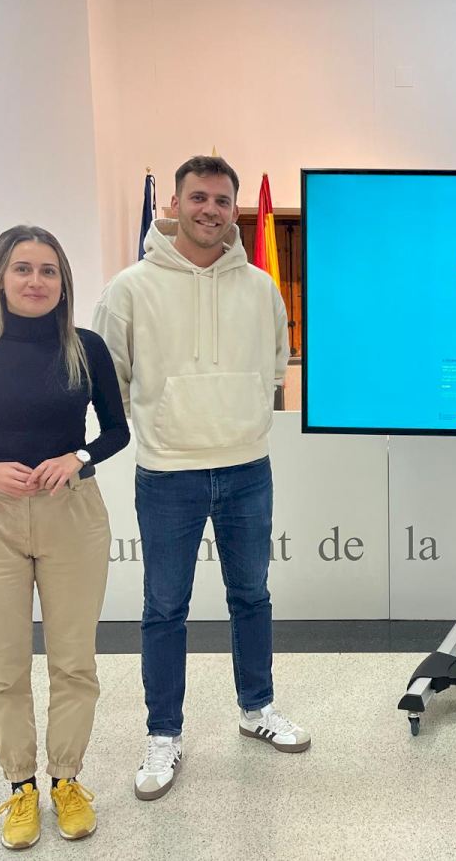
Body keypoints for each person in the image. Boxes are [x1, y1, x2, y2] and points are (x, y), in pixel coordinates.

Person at [92, 155, 307, 804]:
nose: (210, 210)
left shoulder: (260, 288)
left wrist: (239, 413)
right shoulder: (130, 288)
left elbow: (274, 364)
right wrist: (163, 420)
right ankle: (163, 734)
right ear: (175, 204)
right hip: (167, 473)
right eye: (198, 198)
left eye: (221, 200)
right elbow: (109, 376)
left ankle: (256, 707)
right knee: (165, 608)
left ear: (232, 209)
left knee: (252, 596)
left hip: (247, 466)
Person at [0, 225, 129, 850]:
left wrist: (78, 457)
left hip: (71, 514)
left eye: (48, 271)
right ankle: (20, 787)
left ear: (63, 282)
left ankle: (67, 780)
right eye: (23, 269)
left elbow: (116, 431)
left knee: (74, 661)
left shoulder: (85, 348)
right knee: (3, 667)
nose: (36, 281)